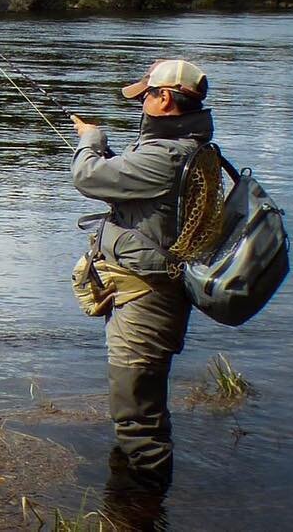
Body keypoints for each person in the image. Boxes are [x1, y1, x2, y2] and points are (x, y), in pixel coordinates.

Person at [69, 59, 214, 489]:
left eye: (146, 95)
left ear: (165, 98)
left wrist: (91, 141)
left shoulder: (167, 155)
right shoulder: (185, 147)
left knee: (138, 419)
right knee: (140, 408)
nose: (141, 103)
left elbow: (87, 176)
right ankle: (133, 494)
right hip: (151, 295)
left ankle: (141, 508)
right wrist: (109, 155)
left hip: (147, 303)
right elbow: (145, 193)